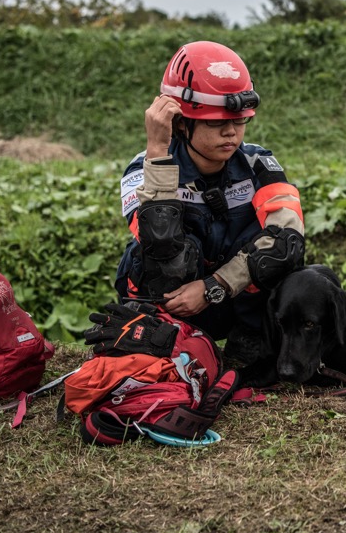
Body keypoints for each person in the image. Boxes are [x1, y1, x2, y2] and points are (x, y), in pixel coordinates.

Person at [115, 41, 305, 384]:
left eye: (239, 120)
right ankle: (161, 341)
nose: (231, 132)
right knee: (156, 250)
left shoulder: (259, 163)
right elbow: (157, 242)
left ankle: (249, 344)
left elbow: (287, 240)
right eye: (216, 122)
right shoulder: (142, 167)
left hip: (230, 299)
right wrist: (158, 150)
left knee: (285, 254)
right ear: (182, 123)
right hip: (173, 303)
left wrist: (215, 286)